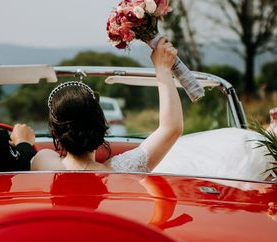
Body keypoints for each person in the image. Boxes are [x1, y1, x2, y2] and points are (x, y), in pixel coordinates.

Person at [31, 37, 182, 172]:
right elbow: (171, 128)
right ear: (101, 124)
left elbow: (43, 155)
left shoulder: (43, 161)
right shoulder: (121, 170)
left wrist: (22, 142)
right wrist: (163, 69)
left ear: (55, 133)